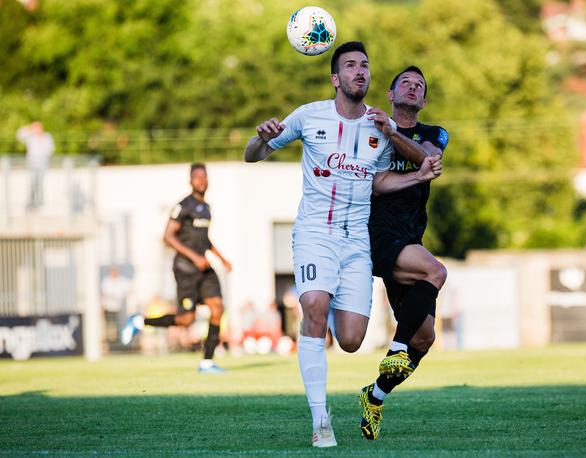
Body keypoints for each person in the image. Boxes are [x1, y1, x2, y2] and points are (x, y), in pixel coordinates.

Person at [243, 41, 442, 448]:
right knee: (313, 307)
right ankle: (321, 422)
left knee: (351, 340)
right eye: (350, 65)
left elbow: (380, 181)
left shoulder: (377, 126)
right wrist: (260, 138)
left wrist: (414, 175)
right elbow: (252, 155)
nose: (359, 71)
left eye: (365, 65)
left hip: (357, 242)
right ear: (336, 78)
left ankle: (331, 312)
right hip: (316, 233)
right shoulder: (308, 115)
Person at [358, 66, 449, 441]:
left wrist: (392, 132)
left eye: (420, 86)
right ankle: (395, 347)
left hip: (411, 238)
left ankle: (374, 397)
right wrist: (385, 133)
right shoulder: (369, 130)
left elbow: (427, 161)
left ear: (423, 100)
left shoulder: (433, 134)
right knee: (437, 273)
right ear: (390, 94)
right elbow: (376, 186)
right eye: (405, 84)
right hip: (379, 235)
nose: (413, 87)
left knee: (424, 337)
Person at [121, 163, 233, 373]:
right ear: (190, 181)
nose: (202, 180)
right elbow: (168, 236)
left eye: (204, 177)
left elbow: (204, 239)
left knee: (217, 308)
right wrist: (194, 257)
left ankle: (207, 362)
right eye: (197, 177)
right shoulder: (183, 206)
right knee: (185, 320)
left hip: (205, 268)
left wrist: (222, 259)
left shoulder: (207, 208)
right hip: (186, 269)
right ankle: (139, 321)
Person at [16, 122, 54, 210]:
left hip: (42, 164)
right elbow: (19, 135)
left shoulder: (47, 137)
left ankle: (40, 204)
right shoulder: (31, 136)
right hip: (32, 164)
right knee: (32, 184)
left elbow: (50, 149)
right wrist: (30, 128)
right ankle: (31, 203)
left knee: (40, 184)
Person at [100, 265, 132, 351]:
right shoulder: (106, 281)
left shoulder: (121, 281)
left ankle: (118, 346)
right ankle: (111, 346)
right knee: (110, 328)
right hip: (108, 308)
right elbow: (106, 294)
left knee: (118, 327)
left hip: (118, 309)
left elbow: (130, 288)